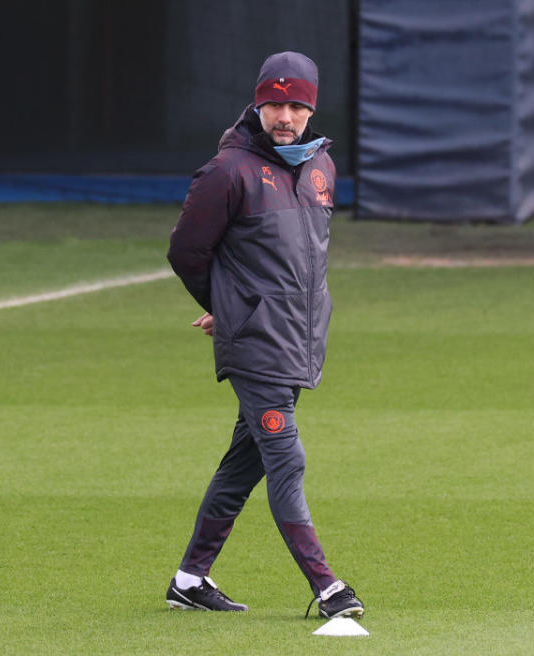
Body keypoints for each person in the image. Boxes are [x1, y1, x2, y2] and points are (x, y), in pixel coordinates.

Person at [165, 51, 364, 620]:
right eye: (275, 103)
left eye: (297, 104)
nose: (285, 115)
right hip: (256, 345)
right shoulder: (228, 171)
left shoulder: (321, 167)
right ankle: (328, 588)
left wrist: (236, 305)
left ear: (312, 108)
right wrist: (227, 307)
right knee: (286, 457)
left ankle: (188, 579)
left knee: (242, 464)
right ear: (258, 101)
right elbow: (185, 252)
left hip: (299, 339)